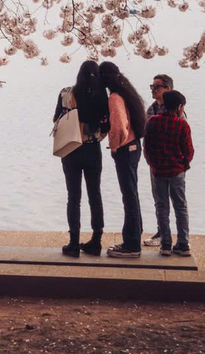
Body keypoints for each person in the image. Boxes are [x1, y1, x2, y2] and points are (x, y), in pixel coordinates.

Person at [53, 60, 110, 257]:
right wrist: (95, 136)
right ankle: (96, 241)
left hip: (71, 150)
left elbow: (56, 119)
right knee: (95, 195)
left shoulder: (66, 93)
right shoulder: (101, 95)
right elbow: (106, 126)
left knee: (73, 197)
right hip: (93, 150)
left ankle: (74, 243)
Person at [99, 61, 147, 258]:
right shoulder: (127, 93)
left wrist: (115, 147)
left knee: (128, 195)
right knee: (132, 193)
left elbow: (119, 126)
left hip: (125, 149)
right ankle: (135, 236)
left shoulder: (115, 97)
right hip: (134, 146)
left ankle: (132, 244)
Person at [143, 90, 194, 257]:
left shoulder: (152, 122)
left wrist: (152, 164)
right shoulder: (182, 125)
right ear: (179, 107)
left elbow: (147, 147)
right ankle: (183, 244)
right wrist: (184, 165)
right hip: (176, 171)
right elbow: (188, 151)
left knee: (161, 206)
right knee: (180, 206)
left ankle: (165, 244)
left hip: (158, 171)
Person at [143, 73, 174, 248]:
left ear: (168, 89)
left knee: (178, 201)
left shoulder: (176, 109)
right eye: (152, 86)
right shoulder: (151, 109)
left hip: (173, 163)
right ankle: (162, 232)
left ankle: (181, 239)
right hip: (156, 162)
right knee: (159, 200)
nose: (153, 90)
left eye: (157, 87)